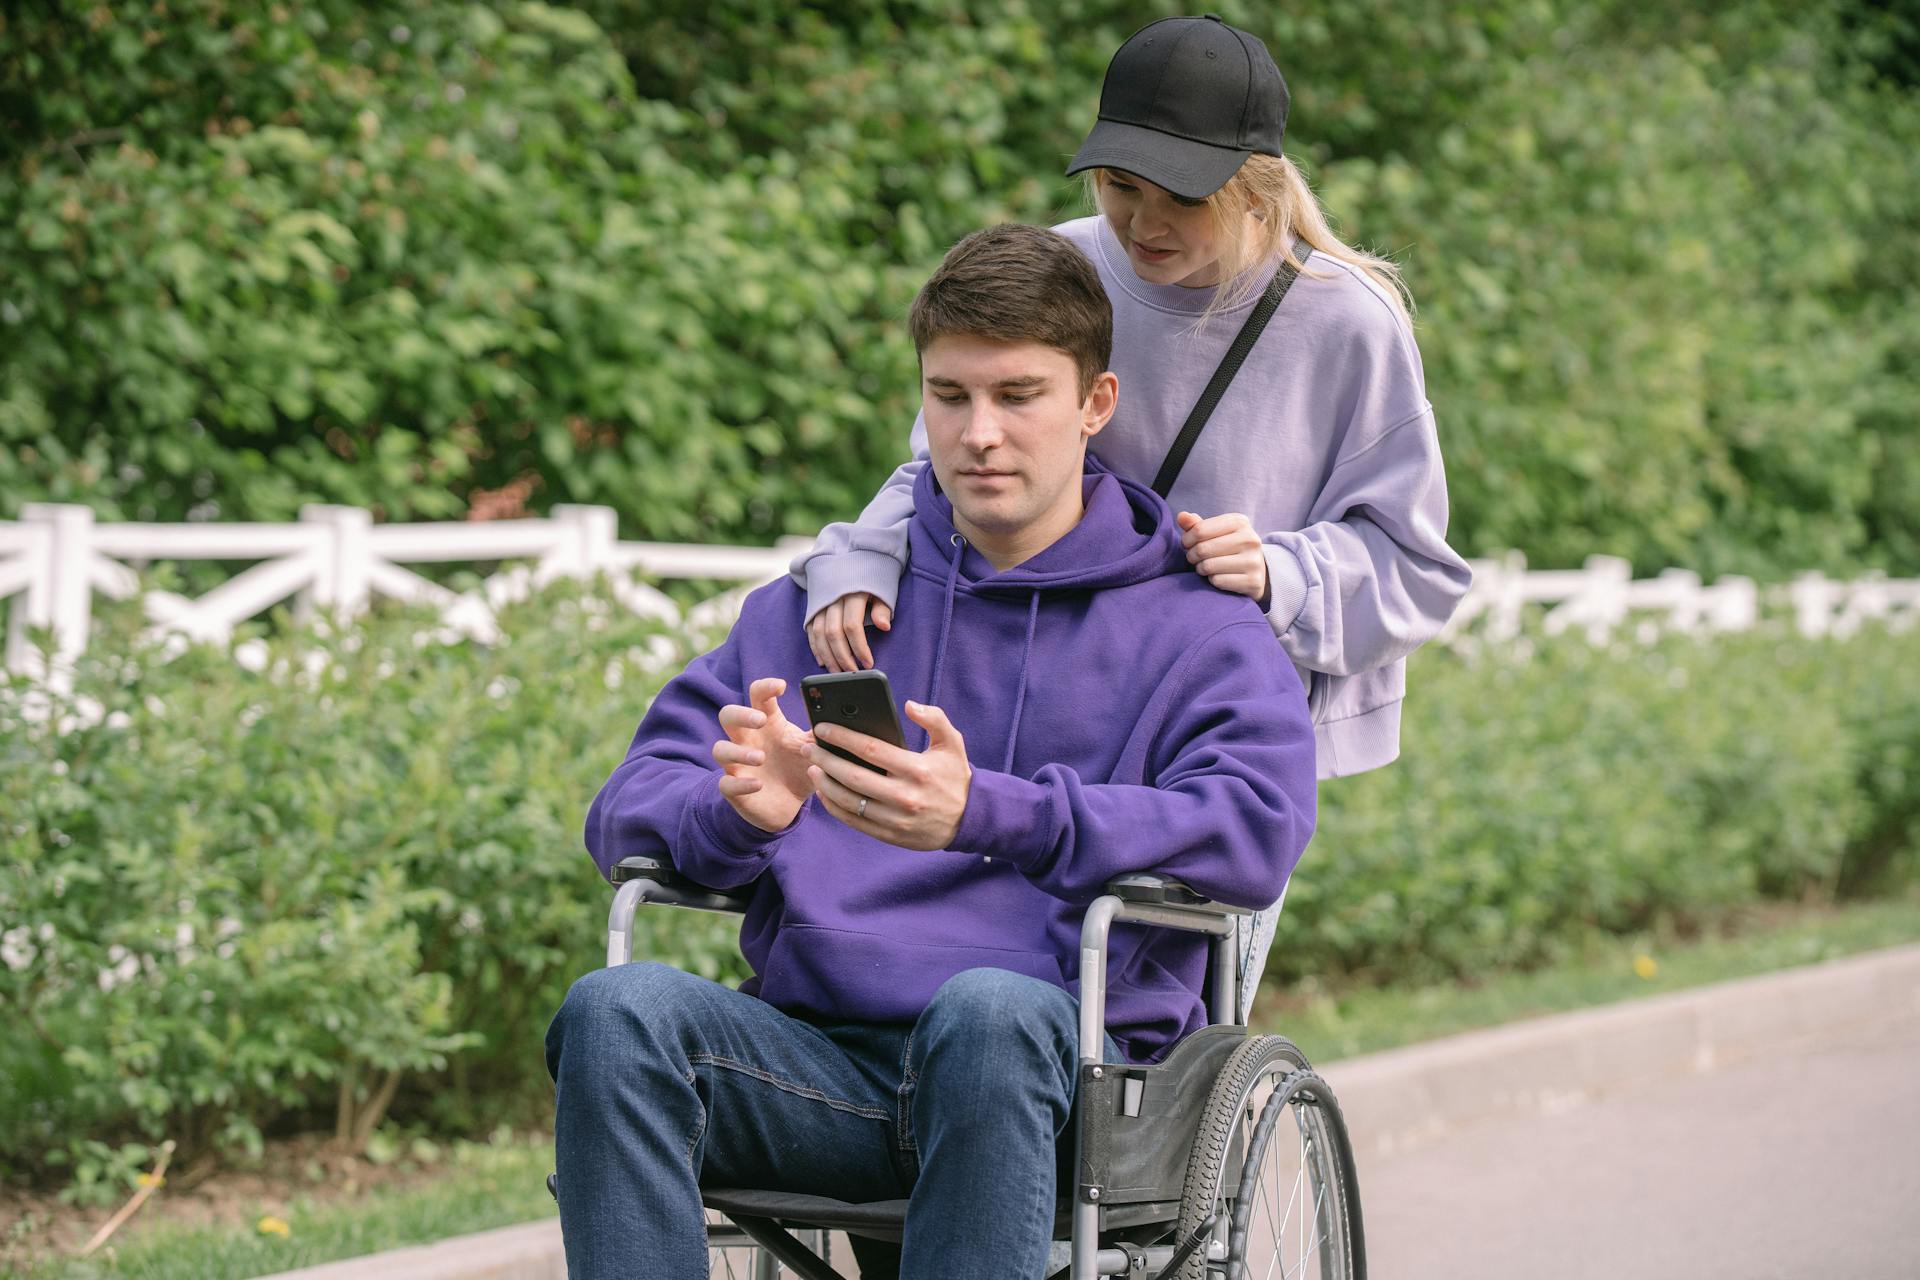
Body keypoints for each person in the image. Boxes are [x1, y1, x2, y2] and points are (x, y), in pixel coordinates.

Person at [545, 224, 1317, 1280]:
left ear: (1095, 405)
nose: (980, 433)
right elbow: (627, 802)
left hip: (1061, 1088)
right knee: (614, 1010)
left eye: (1018, 395)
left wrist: (995, 813)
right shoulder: (830, 611)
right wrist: (742, 814)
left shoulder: (1198, 628)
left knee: (988, 1011)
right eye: (949, 396)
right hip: (819, 1067)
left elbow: (1255, 828)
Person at [795, 14, 1473, 782]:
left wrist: (1279, 571)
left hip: (1215, 739)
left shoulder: (1346, 320)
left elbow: (1417, 568)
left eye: (1183, 198)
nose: (1142, 226)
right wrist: (861, 557)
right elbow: (947, 466)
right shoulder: (1070, 261)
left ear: (1255, 187)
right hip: (1036, 707)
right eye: (1121, 186)